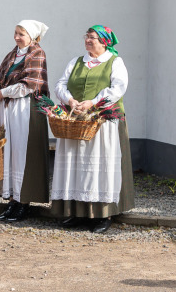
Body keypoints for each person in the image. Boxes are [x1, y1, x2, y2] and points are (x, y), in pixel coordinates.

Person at [50, 25, 134, 234]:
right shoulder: (76, 62)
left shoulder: (115, 62)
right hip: (76, 122)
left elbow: (118, 88)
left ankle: (102, 215)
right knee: (75, 164)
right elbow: (61, 84)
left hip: (102, 122)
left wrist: (94, 102)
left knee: (100, 167)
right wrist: (69, 99)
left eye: (92, 38)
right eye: (86, 37)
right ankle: (76, 212)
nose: (88, 41)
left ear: (104, 41)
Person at [0, 20, 50, 221]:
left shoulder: (37, 54)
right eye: (15, 33)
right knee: (8, 154)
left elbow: (29, 85)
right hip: (6, 110)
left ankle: (24, 202)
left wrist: (1, 93)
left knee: (22, 153)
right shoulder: (11, 56)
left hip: (25, 111)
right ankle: (12, 201)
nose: (16, 37)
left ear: (33, 36)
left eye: (21, 34)